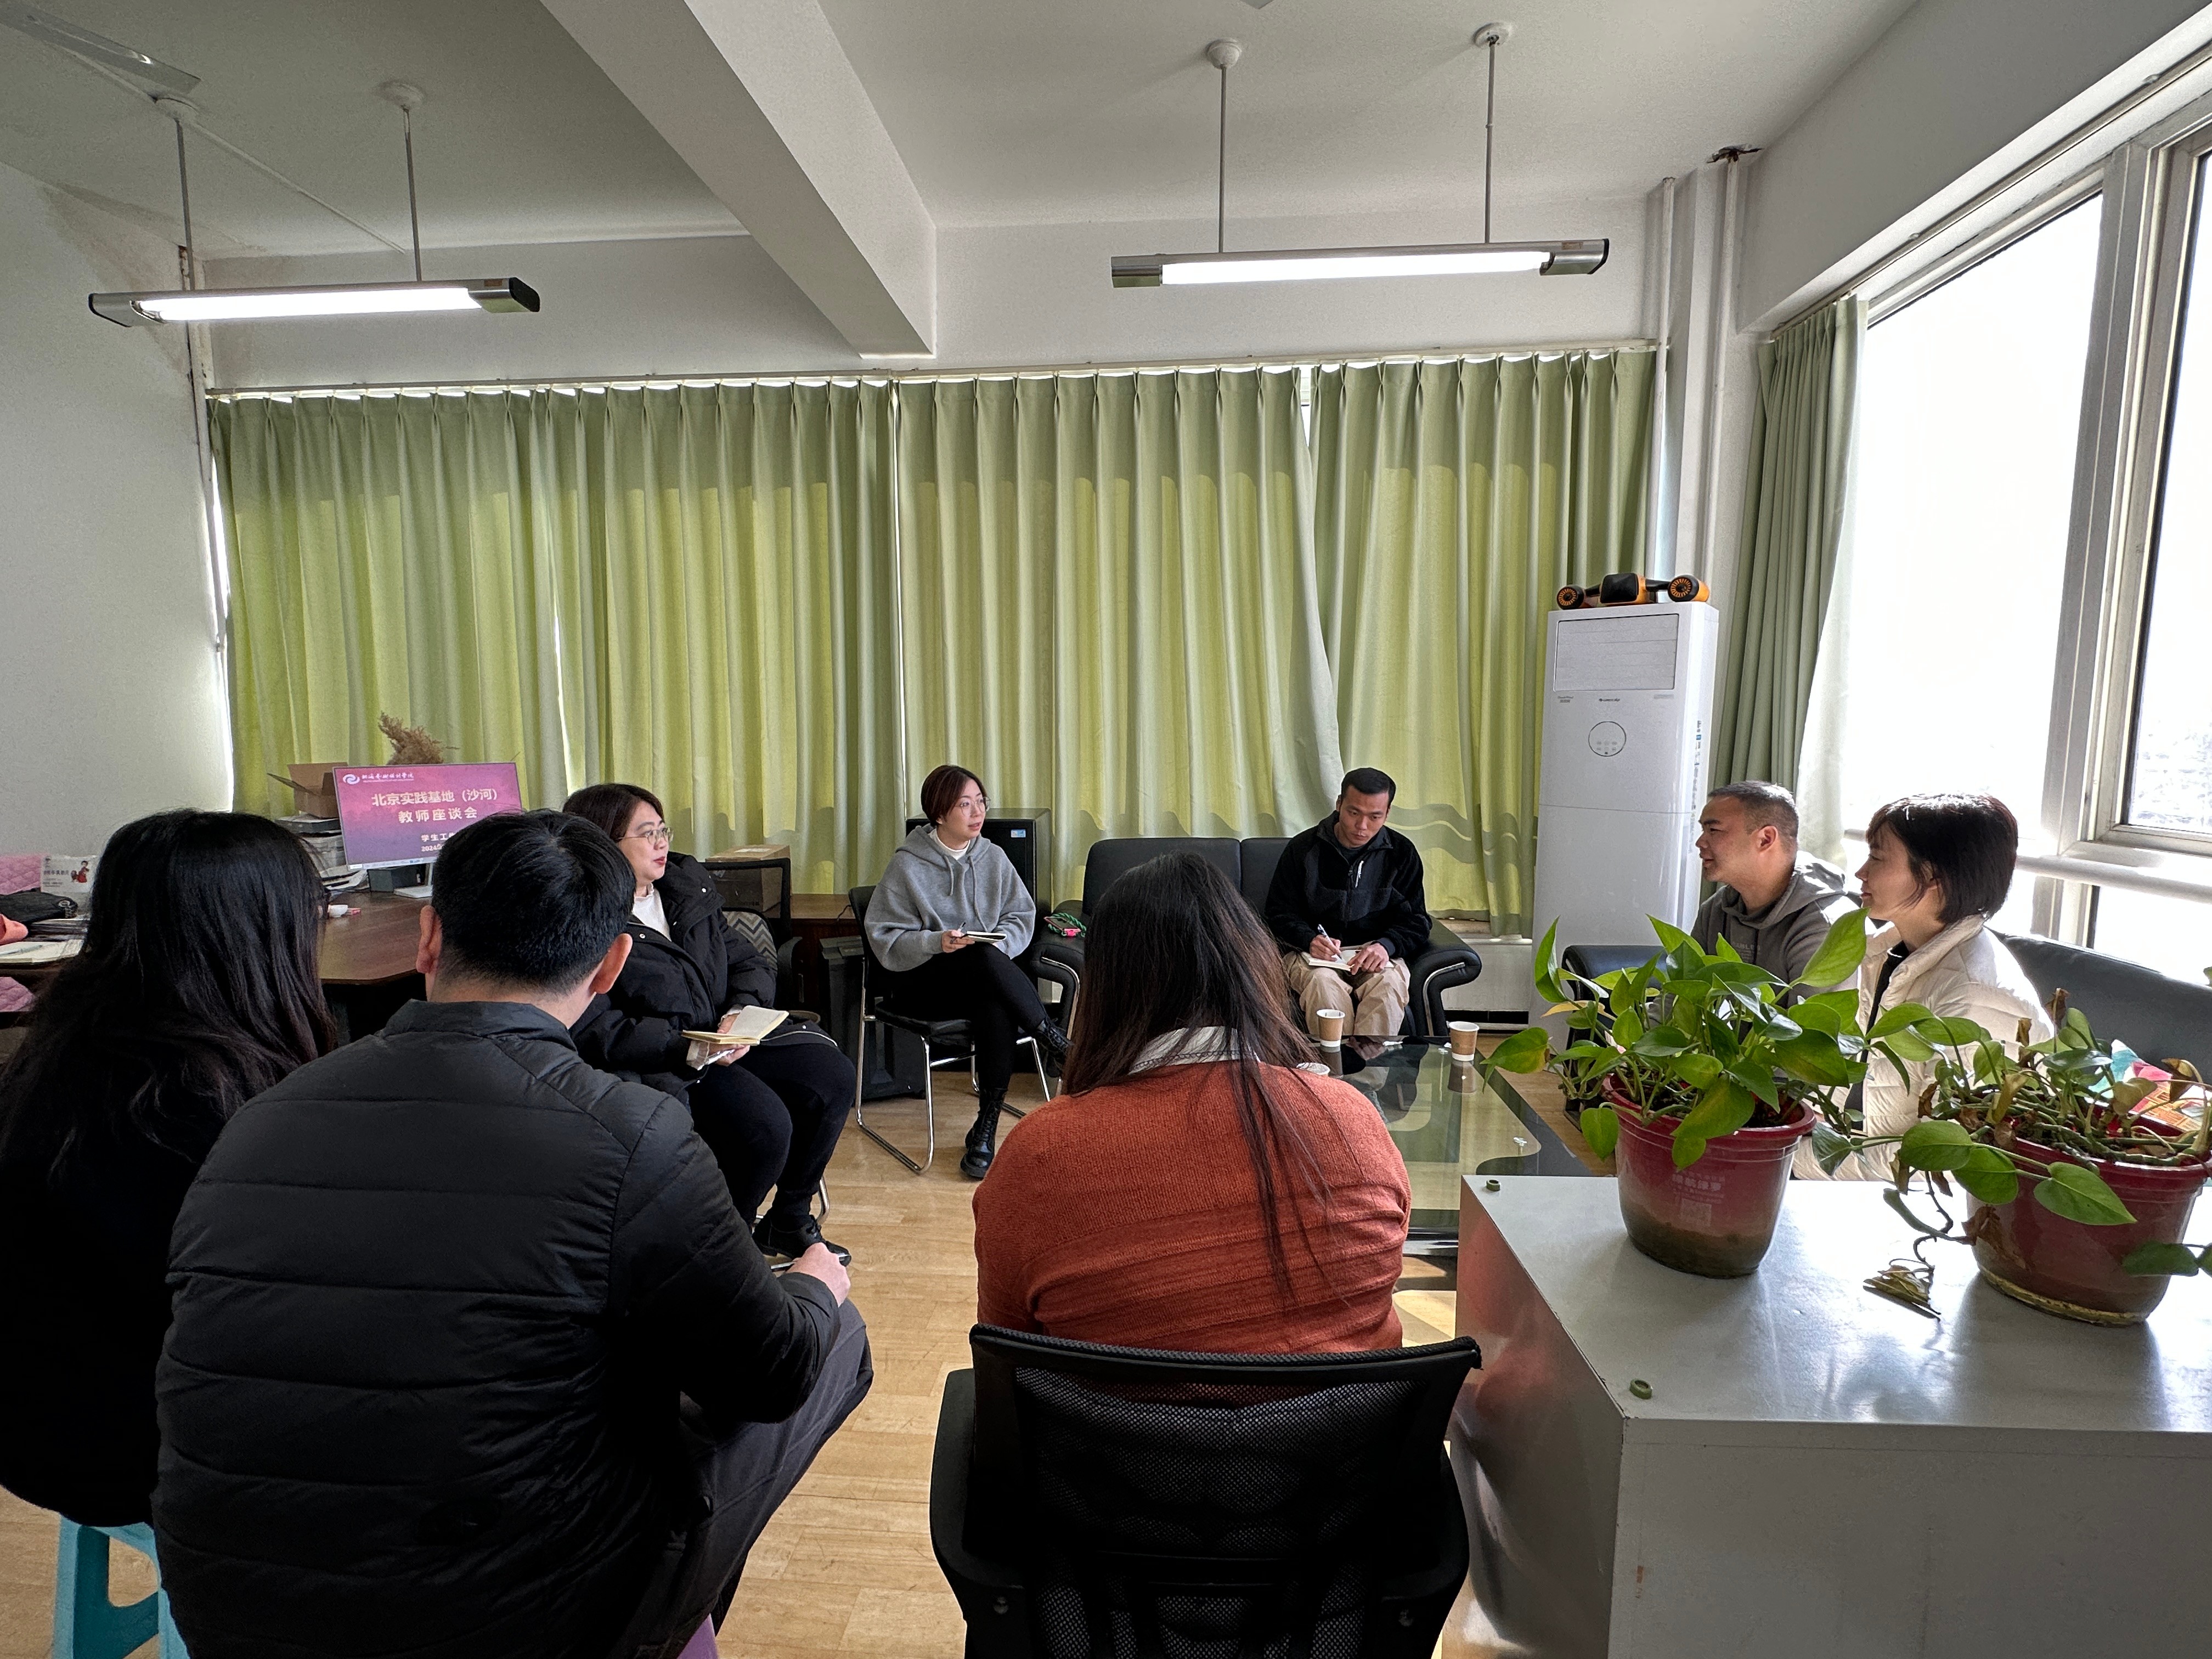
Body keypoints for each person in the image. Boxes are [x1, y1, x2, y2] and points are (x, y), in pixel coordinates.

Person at [152, 811, 872, 1659]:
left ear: (429, 937)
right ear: (611, 963)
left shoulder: (259, 1119)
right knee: (827, 1339)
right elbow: (773, 1376)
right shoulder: (632, 1136)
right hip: (510, 1623)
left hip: (228, 1613)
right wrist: (813, 1285)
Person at [0, 811, 331, 1525]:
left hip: (33, 1423)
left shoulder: (57, 1053)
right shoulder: (201, 1106)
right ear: (266, 932)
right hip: (143, 1452)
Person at [974, 852, 1409, 1351]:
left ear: (1108, 988)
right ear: (1254, 969)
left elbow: (1005, 1361)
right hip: (1351, 1405)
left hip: (1118, 1408)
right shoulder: (1355, 1123)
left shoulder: (1039, 1156)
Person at [563, 783, 855, 1265]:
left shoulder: (684, 892)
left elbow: (750, 961)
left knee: (832, 1076)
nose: (662, 843)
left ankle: (788, 1218)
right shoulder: (587, 919)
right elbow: (595, 1026)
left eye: (663, 830)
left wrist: (740, 1009)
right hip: (664, 1060)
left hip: (726, 1035)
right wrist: (685, 1046)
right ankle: (727, 1247)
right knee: (764, 1126)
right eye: (647, 834)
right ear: (602, 842)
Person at [1795, 793, 2052, 1182]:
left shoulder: (1978, 997)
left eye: (1877, 857)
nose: (1861, 872)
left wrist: (1787, 1158)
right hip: (1852, 1183)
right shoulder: (1888, 954)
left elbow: (1939, 1160)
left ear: (1933, 876)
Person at [865, 764, 1068, 1179]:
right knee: (982, 961)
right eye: (965, 805)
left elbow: (1021, 915)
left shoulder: (993, 857)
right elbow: (885, 938)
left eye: (981, 802)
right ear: (939, 814)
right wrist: (935, 942)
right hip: (921, 984)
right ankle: (1051, 1038)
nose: (978, 813)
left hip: (981, 979)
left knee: (993, 994)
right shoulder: (907, 866)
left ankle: (985, 1127)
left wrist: (998, 947)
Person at [1263, 768, 1432, 1059]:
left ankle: (1368, 1079)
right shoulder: (1303, 849)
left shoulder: (1401, 853)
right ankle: (1335, 1076)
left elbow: (1417, 920)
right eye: (1354, 813)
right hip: (1315, 954)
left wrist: (1385, 946)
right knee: (1323, 985)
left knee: (1389, 986)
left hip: (1374, 954)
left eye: (1374, 817)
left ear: (1387, 813)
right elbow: (1277, 914)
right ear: (1339, 804)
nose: (1362, 826)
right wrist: (1309, 940)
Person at [1692, 781, 1858, 990]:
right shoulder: (1716, 910)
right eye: (1703, 830)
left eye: (1714, 830)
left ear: (1765, 839)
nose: (1700, 842)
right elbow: (1681, 997)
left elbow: (1812, 1013)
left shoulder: (1823, 927)